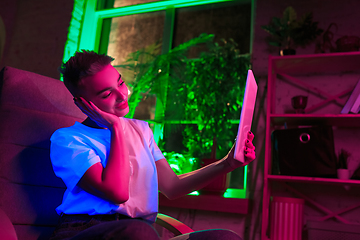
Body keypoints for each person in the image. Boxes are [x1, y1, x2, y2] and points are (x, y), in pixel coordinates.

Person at [49, 50, 256, 240]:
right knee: (139, 231)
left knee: (224, 238)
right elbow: (118, 194)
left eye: (120, 83)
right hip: (85, 230)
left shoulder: (142, 130)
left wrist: (228, 163)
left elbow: (173, 187)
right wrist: (117, 128)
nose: (123, 95)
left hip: (140, 233)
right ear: (83, 103)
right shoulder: (68, 140)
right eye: (106, 94)